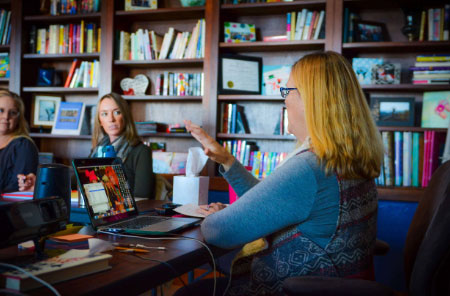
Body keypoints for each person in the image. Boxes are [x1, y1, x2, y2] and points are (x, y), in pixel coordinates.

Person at [175, 51, 384, 296]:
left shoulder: (309, 167)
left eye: (287, 92)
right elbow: (272, 203)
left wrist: (225, 215)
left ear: (311, 100)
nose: (283, 101)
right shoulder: (346, 160)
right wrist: (227, 160)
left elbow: (218, 232)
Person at [89, 92, 155, 199]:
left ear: (125, 116)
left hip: (126, 213)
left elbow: (143, 197)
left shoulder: (142, 151)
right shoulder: (97, 150)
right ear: (100, 121)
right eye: (104, 114)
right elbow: (80, 180)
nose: (111, 119)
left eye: (117, 112)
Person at [0, 89, 38, 194]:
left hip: (8, 208)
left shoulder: (23, 146)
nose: (6, 117)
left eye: (12, 112)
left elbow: (17, 189)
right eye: (1, 110)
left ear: (19, 118)